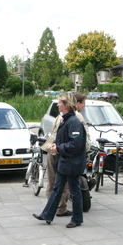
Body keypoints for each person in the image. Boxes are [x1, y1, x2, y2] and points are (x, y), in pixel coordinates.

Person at [33, 93, 87, 228]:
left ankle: (77, 219)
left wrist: (58, 147)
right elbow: (64, 139)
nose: (57, 105)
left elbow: (75, 144)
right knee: (57, 189)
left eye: (60, 103)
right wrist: (55, 144)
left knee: (75, 190)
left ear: (67, 105)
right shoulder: (65, 120)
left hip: (72, 163)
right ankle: (47, 214)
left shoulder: (74, 122)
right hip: (65, 162)